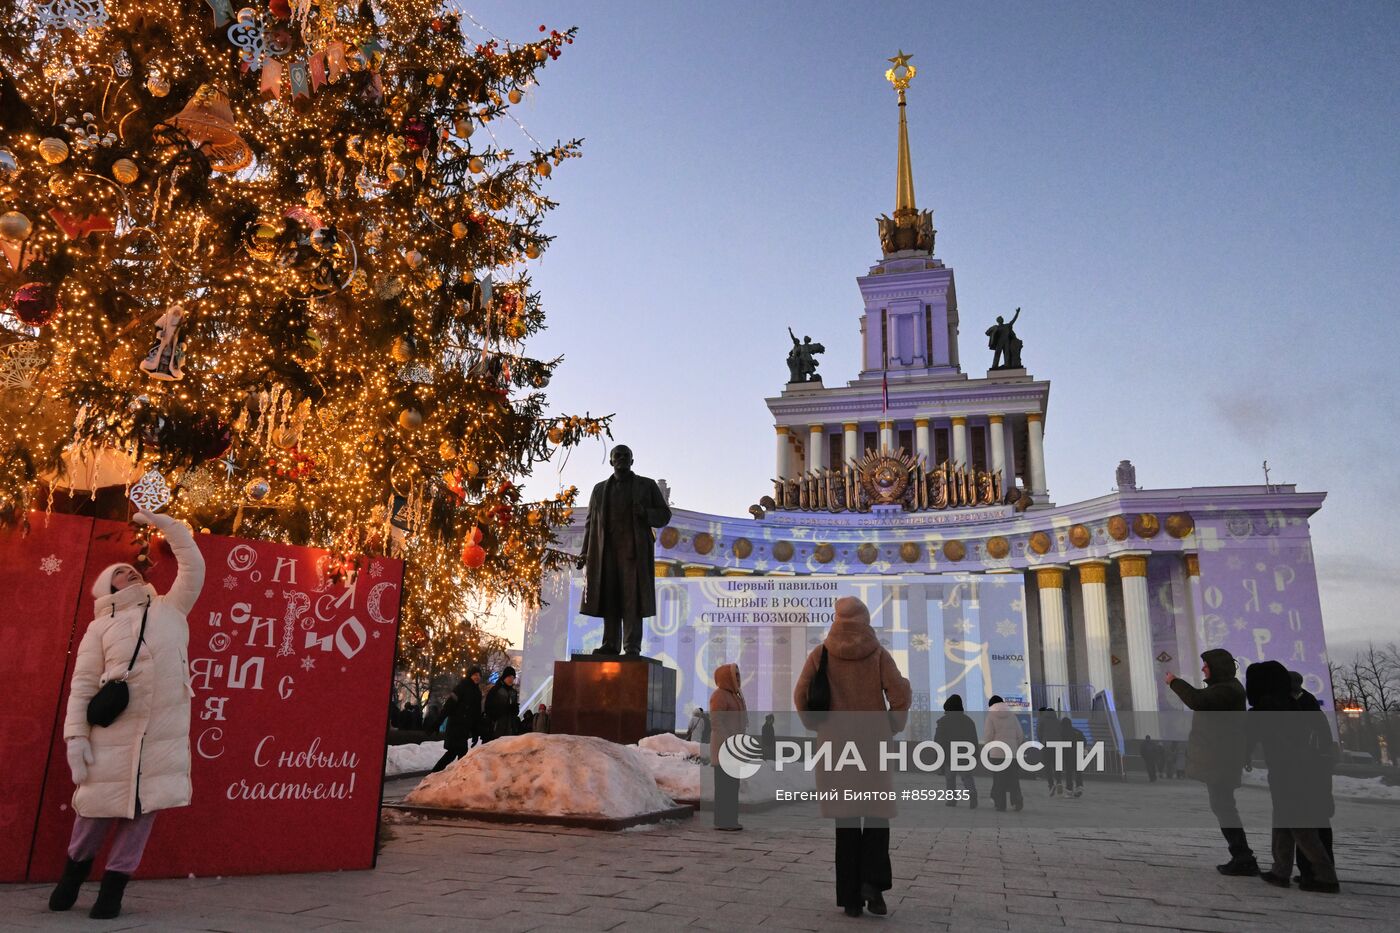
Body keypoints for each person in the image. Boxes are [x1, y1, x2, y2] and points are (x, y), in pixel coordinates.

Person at [50, 511, 206, 919]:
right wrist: (76, 738)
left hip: (160, 735)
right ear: (107, 587)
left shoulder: (172, 608)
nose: (130, 574)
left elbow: (193, 565)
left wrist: (169, 526)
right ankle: (72, 876)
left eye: (131, 570)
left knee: (141, 816)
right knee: (94, 814)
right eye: (120, 573)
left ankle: (112, 893)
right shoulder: (99, 628)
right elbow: (83, 684)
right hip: (113, 735)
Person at [794, 596, 912, 918]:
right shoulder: (877, 654)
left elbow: (801, 694)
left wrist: (814, 724)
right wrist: (893, 723)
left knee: (845, 822)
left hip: (835, 748)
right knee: (875, 818)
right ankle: (873, 887)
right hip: (872, 745)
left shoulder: (821, 654)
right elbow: (899, 693)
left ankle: (849, 898)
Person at [1246, 661, 1339, 893]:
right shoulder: (1291, 703)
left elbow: (1249, 736)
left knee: (1299, 824)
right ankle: (1281, 870)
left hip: (1286, 770)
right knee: (1284, 821)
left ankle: (1324, 875)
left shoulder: (1266, 707)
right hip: (1298, 768)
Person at [1166, 649, 1258, 876]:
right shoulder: (1225, 688)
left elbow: (1197, 700)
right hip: (1220, 758)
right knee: (1223, 806)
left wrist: (1174, 682)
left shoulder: (1228, 690)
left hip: (1222, 759)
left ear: (1217, 667)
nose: (1203, 668)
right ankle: (1242, 855)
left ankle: (1243, 856)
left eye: (1206, 664)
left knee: (1224, 807)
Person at [576, 445, 672, 656]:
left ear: (632, 460)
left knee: (631, 600)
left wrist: (645, 513)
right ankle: (610, 643)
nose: (621, 459)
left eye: (626, 456)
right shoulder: (599, 489)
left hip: (633, 553)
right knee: (609, 597)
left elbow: (665, 514)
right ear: (611, 461)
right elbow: (591, 523)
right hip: (605, 553)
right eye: (617, 456)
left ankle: (631, 646)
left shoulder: (646, 486)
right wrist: (585, 552)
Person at [1288, 671, 1334, 885]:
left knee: (1308, 822)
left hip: (1305, 770)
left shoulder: (1295, 706)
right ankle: (1311, 869)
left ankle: (1317, 872)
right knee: (1317, 822)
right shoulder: (1312, 704)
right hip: (1316, 770)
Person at [709, 663, 748, 831]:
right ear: (726, 676)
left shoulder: (736, 696)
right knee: (725, 787)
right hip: (724, 749)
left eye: (739, 675)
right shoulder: (720, 696)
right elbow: (717, 722)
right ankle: (723, 821)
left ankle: (731, 819)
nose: (738, 678)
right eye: (735, 675)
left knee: (733, 786)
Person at [431, 669, 486, 773]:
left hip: (464, 728)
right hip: (455, 726)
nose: (477, 677)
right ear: (469, 676)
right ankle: (453, 777)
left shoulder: (477, 692)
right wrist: (438, 722)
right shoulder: (461, 688)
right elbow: (448, 706)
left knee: (454, 753)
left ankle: (437, 775)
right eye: (475, 674)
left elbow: (475, 714)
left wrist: (475, 732)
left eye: (479, 675)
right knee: (459, 752)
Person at [934, 695, 978, 807]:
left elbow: (938, 740)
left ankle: (951, 800)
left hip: (949, 755)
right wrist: (975, 754)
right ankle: (972, 795)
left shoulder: (943, 721)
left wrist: (937, 755)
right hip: (965, 754)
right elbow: (974, 739)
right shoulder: (968, 721)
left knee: (950, 778)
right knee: (966, 777)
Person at [983, 695, 1025, 812]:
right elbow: (1020, 734)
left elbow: (988, 735)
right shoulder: (1012, 716)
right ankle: (1017, 802)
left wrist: (989, 747)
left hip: (997, 754)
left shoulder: (991, 716)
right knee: (1013, 779)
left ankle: (1000, 804)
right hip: (1012, 753)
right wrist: (1015, 746)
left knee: (999, 779)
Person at [483, 667, 520, 741]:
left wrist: (515, 710)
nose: (511, 679)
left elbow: (514, 712)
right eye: (509, 677)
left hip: (509, 730)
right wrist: (503, 709)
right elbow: (488, 708)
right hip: (496, 729)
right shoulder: (495, 690)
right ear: (504, 677)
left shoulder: (513, 692)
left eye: (513, 677)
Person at [1036, 707, 1063, 796]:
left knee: (1047, 765)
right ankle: (1059, 781)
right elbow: (1061, 732)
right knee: (1057, 765)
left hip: (1047, 743)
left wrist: (1042, 741)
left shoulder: (1042, 719)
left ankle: (1051, 785)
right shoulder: (1058, 721)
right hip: (1057, 744)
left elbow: (1039, 732)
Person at [1059, 716, 1086, 798]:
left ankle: (1069, 791)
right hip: (1078, 754)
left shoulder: (1063, 732)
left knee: (1069, 773)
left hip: (1068, 754)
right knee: (1078, 772)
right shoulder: (1078, 731)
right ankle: (1079, 787)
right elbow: (1085, 741)